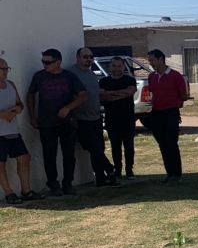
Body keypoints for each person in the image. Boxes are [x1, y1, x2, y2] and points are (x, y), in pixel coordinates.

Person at [27, 49, 87, 196]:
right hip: (46, 122)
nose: (44, 65)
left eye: (48, 62)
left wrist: (68, 108)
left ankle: (68, 182)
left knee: (68, 153)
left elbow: (83, 95)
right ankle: (53, 183)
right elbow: (30, 95)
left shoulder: (69, 76)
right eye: (43, 62)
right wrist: (32, 116)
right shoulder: (39, 76)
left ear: (58, 62)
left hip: (67, 121)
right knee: (49, 154)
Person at [68, 48, 119, 188]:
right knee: (94, 147)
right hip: (80, 118)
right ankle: (109, 168)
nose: (89, 59)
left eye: (91, 57)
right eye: (85, 56)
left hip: (95, 117)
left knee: (98, 149)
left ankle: (101, 179)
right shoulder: (71, 73)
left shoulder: (91, 74)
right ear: (77, 57)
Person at [0, 58, 44, 204]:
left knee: (24, 158)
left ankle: (26, 190)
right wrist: (3, 115)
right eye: (3, 69)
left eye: (7, 68)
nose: (6, 72)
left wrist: (18, 108)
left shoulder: (10, 84)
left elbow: (19, 103)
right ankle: (9, 193)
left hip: (13, 131)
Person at [146, 49, 188, 185]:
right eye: (149, 61)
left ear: (160, 59)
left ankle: (177, 174)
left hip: (170, 112)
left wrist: (173, 103)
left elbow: (184, 95)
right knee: (162, 144)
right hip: (156, 113)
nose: (150, 63)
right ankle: (169, 174)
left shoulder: (175, 75)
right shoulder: (151, 76)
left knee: (171, 143)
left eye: (152, 60)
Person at [99, 57, 137, 179]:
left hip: (128, 119)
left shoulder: (130, 80)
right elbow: (102, 96)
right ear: (110, 67)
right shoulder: (104, 81)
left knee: (129, 146)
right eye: (114, 66)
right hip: (111, 120)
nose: (116, 68)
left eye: (119, 66)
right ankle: (118, 170)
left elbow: (130, 92)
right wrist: (122, 94)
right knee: (115, 147)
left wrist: (111, 94)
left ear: (124, 67)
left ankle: (129, 170)